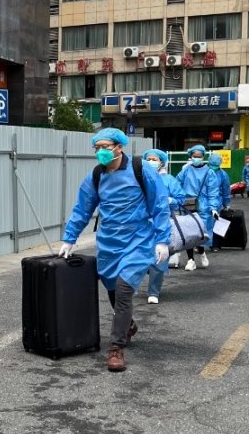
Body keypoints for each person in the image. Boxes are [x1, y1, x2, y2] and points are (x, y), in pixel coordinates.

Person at [58, 128, 171, 372]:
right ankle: (128, 325)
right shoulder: (96, 176)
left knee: (123, 288)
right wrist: (69, 238)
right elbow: (82, 209)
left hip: (138, 240)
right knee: (111, 287)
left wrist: (162, 239)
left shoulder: (141, 170)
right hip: (109, 242)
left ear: (119, 147)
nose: (101, 152)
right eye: (97, 148)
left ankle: (116, 347)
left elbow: (160, 205)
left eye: (105, 147)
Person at [142, 148, 185, 301]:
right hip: (141, 224)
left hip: (161, 223)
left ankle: (153, 292)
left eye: (154, 159)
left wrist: (169, 200)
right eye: (148, 159)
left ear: (161, 162)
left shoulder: (169, 180)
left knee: (159, 258)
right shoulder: (139, 178)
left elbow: (180, 198)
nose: (151, 162)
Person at [176, 145, 220, 271]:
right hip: (187, 205)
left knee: (200, 234)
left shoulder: (209, 173)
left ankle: (201, 251)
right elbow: (176, 185)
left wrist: (213, 208)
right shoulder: (185, 171)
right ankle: (191, 260)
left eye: (199, 156)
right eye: (194, 156)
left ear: (203, 157)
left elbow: (213, 191)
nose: (196, 158)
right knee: (188, 233)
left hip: (203, 207)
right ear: (190, 156)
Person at [208, 152, 231, 251]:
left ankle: (214, 244)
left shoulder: (223, 175)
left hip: (216, 200)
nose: (214, 166)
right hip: (204, 200)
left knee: (215, 223)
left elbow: (226, 190)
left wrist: (226, 203)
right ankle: (203, 245)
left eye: (215, 165)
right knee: (203, 223)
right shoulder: (204, 172)